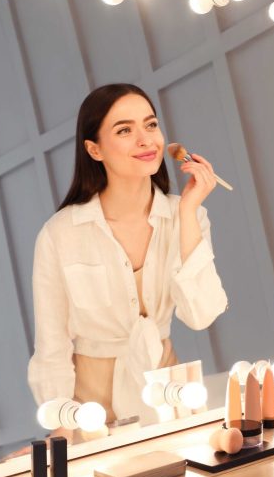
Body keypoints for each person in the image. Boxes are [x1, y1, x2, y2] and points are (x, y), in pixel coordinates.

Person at [27, 83, 227, 433]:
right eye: (124, 130)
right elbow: (52, 346)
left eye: (151, 125)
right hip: (89, 406)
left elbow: (201, 314)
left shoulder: (187, 214)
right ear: (94, 149)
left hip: (170, 392)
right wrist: (61, 430)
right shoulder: (60, 234)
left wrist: (190, 210)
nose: (146, 140)